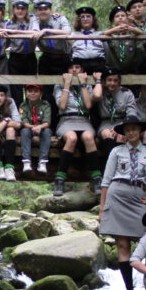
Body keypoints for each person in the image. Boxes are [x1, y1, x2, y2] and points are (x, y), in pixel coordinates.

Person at [99, 116, 146, 290]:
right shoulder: (116, 151)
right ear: (124, 133)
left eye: (134, 129)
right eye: (127, 130)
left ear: (140, 131)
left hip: (138, 200)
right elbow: (105, 181)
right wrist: (102, 208)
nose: (131, 133)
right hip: (116, 196)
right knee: (122, 245)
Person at [53, 63, 102, 195]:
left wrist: (83, 84)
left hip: (83, 119)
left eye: (78, 67)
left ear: (82, 70)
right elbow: (62, 105)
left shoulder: (87, 84)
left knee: (88, 137)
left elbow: (88, 105)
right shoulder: (59, 85)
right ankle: (60, 178)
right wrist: (67, 84)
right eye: (71, 67)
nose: (74, 70)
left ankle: (97, 178)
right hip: (66, 119)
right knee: (72, 138)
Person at [93, 69, 138, 159]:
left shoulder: (126, 92)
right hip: (106, 123)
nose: (112, 83)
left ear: (119, 82)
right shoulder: (101, 91)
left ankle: (122, 164)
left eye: (115, 80)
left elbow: (132, 113)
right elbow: (96, 96)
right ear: (105, 82)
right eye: (109, 80)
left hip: (122, 122)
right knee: (107, 134)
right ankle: (111, 164)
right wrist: (98, 81)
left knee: (121, 135)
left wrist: (122, 126)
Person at [5, 0, 37, 100]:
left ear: (27, 10)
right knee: (15, 89)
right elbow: (6, 43)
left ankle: (30, 114)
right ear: (14, 9)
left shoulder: (33, 20)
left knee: (31, 88)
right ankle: (17, 114)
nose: (20, 11)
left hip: (30, 57)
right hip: (15, 58)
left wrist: (15, 32)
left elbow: (34, 32)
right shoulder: (9, 24)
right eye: (17, 8)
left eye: (23, 8)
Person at [31, 0, 72, 79]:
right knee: (45, 87)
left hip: (63, 58)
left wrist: (46, 31)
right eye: (40, 9)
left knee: (63, 86)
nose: (43, 12)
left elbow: (67, 31)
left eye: (45, 9)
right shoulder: (33, 21)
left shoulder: (59, 19)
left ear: (50, 10)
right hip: (46, 60)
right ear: (36, 11)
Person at [103, 5, 145, 78]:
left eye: (123, 15)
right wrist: (115, 29)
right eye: (117, 16)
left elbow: (144, 34)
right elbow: (100, 35)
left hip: (131, 71)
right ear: (113, 20)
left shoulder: (132, 32)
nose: (120, 17)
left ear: (127, 18)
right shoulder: (110, 33)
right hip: (113, 70)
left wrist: (131, 28)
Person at [19, 83, 52, 175]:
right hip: (29, 129)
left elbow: (47, 122)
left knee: (47, 132)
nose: (32, 93)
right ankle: (26, 161)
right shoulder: (23, 106)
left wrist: (39, 127)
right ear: (25, 93)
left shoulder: (45, 105)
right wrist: (34, 127)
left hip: (42, 129)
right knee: (24, 131)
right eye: (29, 91)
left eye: (36, 91)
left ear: (41, 93)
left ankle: (42, 162)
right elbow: (24, 123)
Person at [70, 6, 107, 75]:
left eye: (88, 16)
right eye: (82, 17)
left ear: (93, 19)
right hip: (79, 64)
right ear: (79, 20)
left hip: (98, 63)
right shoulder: (73, 34)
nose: (85, 19)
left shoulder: (100, 33)